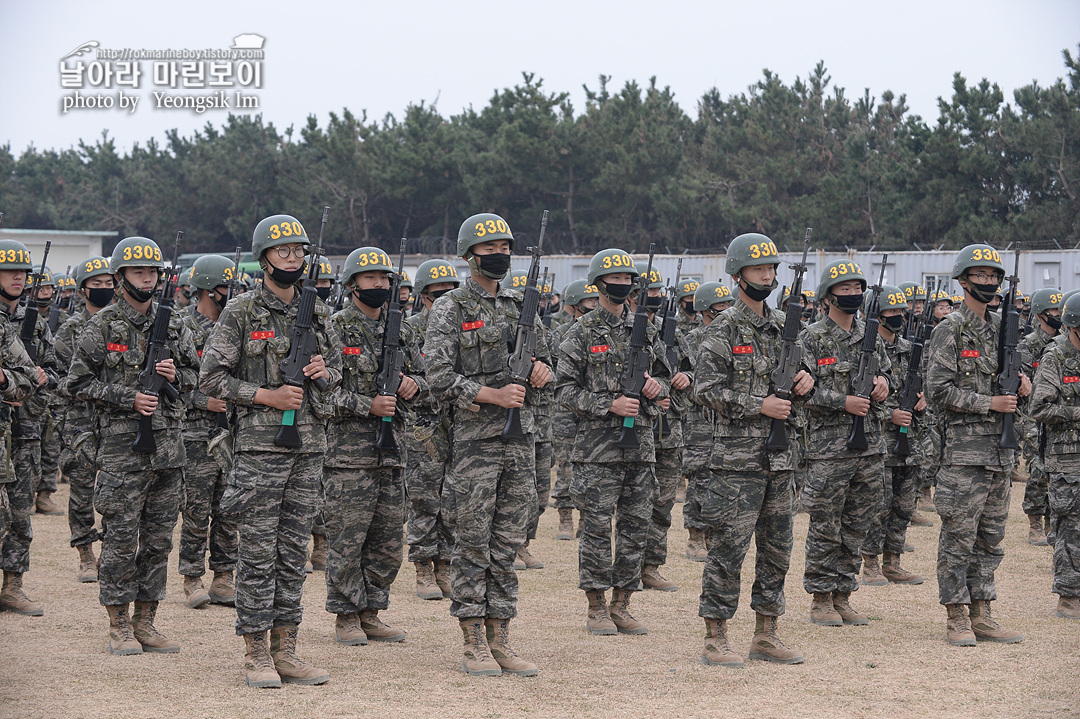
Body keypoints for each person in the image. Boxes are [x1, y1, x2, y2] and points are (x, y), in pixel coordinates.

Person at [200, 214, 341, 687]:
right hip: (260, 454)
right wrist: (267, 396)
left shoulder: (319, 310)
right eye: (285, 252)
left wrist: (323, 373)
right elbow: (212, 380)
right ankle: (256, 652)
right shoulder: (240, 312)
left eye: (300, 252)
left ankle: (288, 650)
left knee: (292, 553)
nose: (294, 259)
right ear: (264, 258)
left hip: (308, 448)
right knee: (258, 553)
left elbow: (337, 382)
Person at [423, 213, 551, 677]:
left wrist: (542, 370)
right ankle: (473, 640)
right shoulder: (451, 308)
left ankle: (501, 635)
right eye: (490, 247)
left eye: (504, 247)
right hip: (476, 443)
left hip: (520, 443)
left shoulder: (522, 304)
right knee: (473, 540)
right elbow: (437, 377)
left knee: (508, 540)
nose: (499, 253)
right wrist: (490, 394)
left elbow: (548, 359)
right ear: (470, 254)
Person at [66, 236, 199, 655]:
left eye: (153, 271)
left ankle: (146, 621)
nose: (147, 277)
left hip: (169, 450)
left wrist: (175, 376)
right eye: (139, 271)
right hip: (124, 452)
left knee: (159, 539)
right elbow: (76, 383)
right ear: (121, 276)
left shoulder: (175, 324)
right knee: (121, 537)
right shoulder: (101, 326)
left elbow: (199, 380)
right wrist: (127, 396)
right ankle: (119, 623)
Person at [694, 233, 813, 666]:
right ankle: (715, 634)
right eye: (759, 269)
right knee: (728, 549)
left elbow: (804, 369)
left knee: (778, 549)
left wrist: (806, 380)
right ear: (737, 274)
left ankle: (766, 632)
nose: (768, 276)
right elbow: (705, 389)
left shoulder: (785, 325)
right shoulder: (723, 328)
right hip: (737, 462)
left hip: (782, 461)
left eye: (772, 269)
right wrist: (756, 404)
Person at [555, 248, 670, 637]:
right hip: (597, 451)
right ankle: (596, 606)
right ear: (598, 283)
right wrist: (609, 405)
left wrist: (658, 387)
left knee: (637, 527)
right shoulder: (582, 331)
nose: (621, 285)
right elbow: (564, 390)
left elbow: (670, 380)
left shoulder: (648, 330)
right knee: (597, 529)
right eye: (614, 279)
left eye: (627, 279)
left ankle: (623, 603)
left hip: (641, 448)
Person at [926, 244, 1030, 646]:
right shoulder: (949, 329)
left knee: (991, 537)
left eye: (993, 277)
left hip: (1000, 453)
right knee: (959, 535)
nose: (988, 283)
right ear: (963, 280)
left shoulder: (1004, 328)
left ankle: (982, 611)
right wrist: (988, 402)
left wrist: (1022, 385)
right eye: (981, 276)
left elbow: (1013, 382)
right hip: (964, 455)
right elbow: (938, 390)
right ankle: (956, 616)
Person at [324, 246, 425, 646]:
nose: (380, 285)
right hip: (348, 456)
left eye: (385, 279)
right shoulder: (334, 328)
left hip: (393, 452)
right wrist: (367, 405)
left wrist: (414, 386)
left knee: (387, 539)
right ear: (352, 285)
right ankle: (346, 615)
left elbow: (428, 379)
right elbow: (322, 393)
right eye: (371, 279)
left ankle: (372, 611)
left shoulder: (405, 329)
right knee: (349, 537)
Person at [799, 259, 892, 628]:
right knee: (825, 524)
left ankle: (843, 593)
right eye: (845, 289)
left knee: (857, 523)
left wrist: (884, 384)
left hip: (869, 446)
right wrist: (843, 402)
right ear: (828, 295)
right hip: (829, 449)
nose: (853, 295)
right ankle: (821, 598)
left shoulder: (869, 334)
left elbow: (886, 376)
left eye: (858, 289)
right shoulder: (812, 338)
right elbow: (798, 392)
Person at [0, 240, 58, 618]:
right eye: (9, 270)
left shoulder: (31, 322)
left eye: (23, 271)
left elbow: (53, 371)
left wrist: (33, 380)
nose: (18, 277)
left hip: (26, 430)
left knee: (21, 512)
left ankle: (13, 586)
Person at [178, 254, 239, 609]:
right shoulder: (182, 326)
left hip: (233, 431)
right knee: (197, 507)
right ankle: (191, 576)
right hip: (195, 432)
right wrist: (204, 401)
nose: (229, 293)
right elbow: (169, 381)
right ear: (205, 289)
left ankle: (223, 576)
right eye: (224, 287)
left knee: (229, 506)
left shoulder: (236, 324)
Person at [859, 285, 925, 587]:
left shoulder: (910, 349)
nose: (898, 316)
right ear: (877, 314)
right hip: (879, 441)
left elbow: (926, 386)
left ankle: (893, 561)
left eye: (901, 310)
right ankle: (870, 562)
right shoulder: (869, 348)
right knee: (878, 505)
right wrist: (890, 415)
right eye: (891, 311)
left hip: (909, 441)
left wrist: (923, 401)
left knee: (903, 505)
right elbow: (861, 396)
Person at [54, 256, 114, 582]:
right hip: (80, 420)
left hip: (115, 419)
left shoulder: (120, 324)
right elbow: (61, 379)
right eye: (97, 285)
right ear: (82, 290)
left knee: (115, 487)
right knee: (81, 488)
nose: (104, 290)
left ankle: (110, 549)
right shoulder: (69, 331)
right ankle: (85, 553)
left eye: (108, 284)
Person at [405, 258, 460, 600]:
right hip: (423, 425)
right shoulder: (409, 329)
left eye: (450, 292)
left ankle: (446, 564)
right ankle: (424, 567)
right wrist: (431, 387)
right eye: (437, 293)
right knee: (425, 497)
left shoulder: (465, 326)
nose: (444, 298)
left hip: (459, 421)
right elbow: (409, 381)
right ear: (423, 296)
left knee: (452, 498)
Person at [1028, 291, 1080, 620]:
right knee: (1070, 527)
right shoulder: (1056, 357)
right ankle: (1069, 595)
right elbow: (1039, 407)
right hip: (1067, 458)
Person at [639, 268, 691, 592]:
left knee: (663, 502)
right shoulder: (626, 331)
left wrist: (686, 380)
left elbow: (690, 369)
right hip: (637, 428)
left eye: (659, 291)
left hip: (669, 431)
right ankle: (628, 566)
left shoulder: (669, 330)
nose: (656, 296)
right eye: (650, 290)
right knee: (634, 502)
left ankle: (651, 566)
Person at [682, 282, 732, 563]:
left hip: (725, 417)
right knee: (700, 476)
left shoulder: (732, 336)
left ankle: (716, 531)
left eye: (728, 304)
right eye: (720, 305)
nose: (726, 310)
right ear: (704, 308)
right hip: (699, 418)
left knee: (723, 477)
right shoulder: (691, 340)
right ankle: (695, 535)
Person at [550, 280, 598, 540]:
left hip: (594, 410)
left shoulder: (601, 334)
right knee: (566, 466)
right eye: (590, 301)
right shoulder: (560, 335)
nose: (595, 305)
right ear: (577, 305)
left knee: (593, 468)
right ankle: (565, 517)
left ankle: (586, 519)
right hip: (566, 411)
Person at [1019, 288, 1064, 546]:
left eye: (1060, 311)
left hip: (1058, 414)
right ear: (1040, 314)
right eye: (1054, 311)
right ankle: (1035, 520)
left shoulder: (1065, 344)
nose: (1058, 315)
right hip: (1032, 417)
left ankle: (1052, 521)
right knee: (1038, 468)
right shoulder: (1028, 345)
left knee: (1058, 469)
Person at [28, 269, 64, 516]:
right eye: (41, 288)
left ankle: (44, 495)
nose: (46, 292)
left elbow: (55, 366)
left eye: (49, 288)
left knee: (50, 446)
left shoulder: (57, 319)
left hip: (48, 396)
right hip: (19, 397)